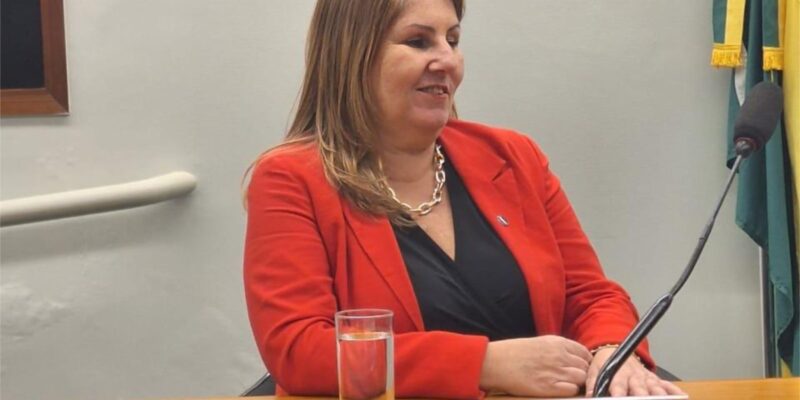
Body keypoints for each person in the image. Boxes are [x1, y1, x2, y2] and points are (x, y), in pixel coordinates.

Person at [243, 0, 684, 398]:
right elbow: (299, 350)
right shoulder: (290, 178)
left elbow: (589, 295)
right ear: (352, 54)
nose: (448, 60)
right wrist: (486, 365)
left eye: (453, 40)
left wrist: (612, 350)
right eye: (419, 41)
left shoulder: (513, 156)